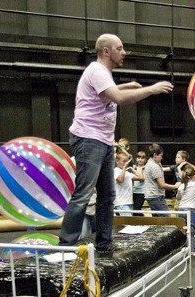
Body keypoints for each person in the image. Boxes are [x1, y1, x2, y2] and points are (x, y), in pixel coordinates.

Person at [59, 33, 173, 252]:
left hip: (102, 141)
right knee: (83, 193)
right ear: (106, 51)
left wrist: (126, 85)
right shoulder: (97, 71)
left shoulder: (103, 74)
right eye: (120, 48)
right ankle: (65, 246)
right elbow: (118, 99)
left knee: (107, 195)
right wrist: (151, 89)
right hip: (89, 139)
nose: (124, 52)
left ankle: (103, 242)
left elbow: (105, 94)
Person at [143, 143, 180, 217]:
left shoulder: (149, 164)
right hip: (156, 196)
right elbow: (162, 185)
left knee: (158, 221)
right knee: (166, 219)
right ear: (155, 155)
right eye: (161, 156)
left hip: (151, 195)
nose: (162, 158)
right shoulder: (154, 166)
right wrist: (175, 186)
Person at [113, 151, 143, 216]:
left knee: (128, 223)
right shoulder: (115, 170)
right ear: (117, 161)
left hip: (129, 201)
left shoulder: (127, 172)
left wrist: (132, 169)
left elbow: (141, 178)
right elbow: (120, 180)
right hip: (121, 203)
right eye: (123, 161)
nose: (126, 163)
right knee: (128, 224)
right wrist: (124, 168)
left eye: (127, 162)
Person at [132, 150, 147, 215]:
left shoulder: (145, 168)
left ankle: (142, 220)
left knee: (136, 209)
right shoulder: (133, 167)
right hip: (132, 191)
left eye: (142, 158)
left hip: (141, 192)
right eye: (138, 158)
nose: (140, 160)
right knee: (133, 209)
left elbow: (142, 179)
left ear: (145, 159)